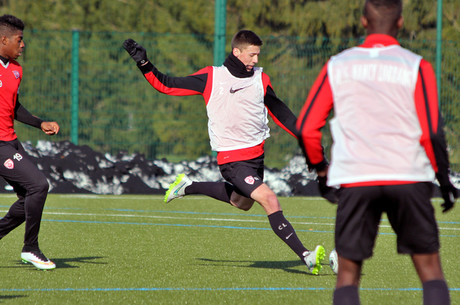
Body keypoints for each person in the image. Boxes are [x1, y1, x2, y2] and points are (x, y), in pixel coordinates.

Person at [124, 30, 325, 275]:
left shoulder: (261, 79)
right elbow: (166, 85)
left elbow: (282, 114)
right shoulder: (212, 77)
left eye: (258, 55)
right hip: (232, 158)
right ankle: (306, 255)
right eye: (252, 55)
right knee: (269, 199)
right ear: (236, 52)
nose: (255, 60)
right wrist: (144, 63)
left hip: (256, 158)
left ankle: (188, 186)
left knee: (242, 203)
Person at [297, 0, 458, 304]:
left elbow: (306, 126)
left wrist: (320, 170)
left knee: (347, 276)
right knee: (431, 272)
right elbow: (433, 132)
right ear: (400, 23)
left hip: (356, 180)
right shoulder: (416, 65)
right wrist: (444, 179)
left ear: (363, 22)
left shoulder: (338, 65)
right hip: (408, 178)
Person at [0, 15, 60, 270]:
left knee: (28, 197)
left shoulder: (15, 70)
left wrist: (39, 122)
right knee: (39, 185)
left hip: (11, 142)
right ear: (4, 39)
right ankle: (31, 248)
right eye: (19, 39)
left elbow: (13, 107)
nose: (23, 45)